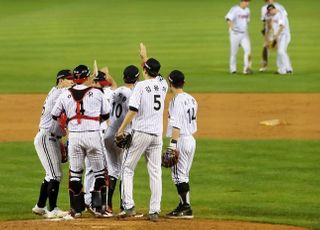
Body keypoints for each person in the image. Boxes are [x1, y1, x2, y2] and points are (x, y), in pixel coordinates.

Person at [116, 44, 168, 221]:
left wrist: (121, 130)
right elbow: (151, 71)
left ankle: (129, 205)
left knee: (127, 168)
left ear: (145, 70)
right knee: (155, 173)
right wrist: (145, 58)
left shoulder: (139, 86)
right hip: (157, 136)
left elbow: (132, 111)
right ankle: (155, 210)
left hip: (141, 133)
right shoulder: (163, 85)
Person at [51, 64, 110, 219]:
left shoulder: (64, 94)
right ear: (87, 76)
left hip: (75, 137)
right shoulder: (97, 92)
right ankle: (100, 209)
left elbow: (55, 114)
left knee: (75, 175)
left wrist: (68, 122)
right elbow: (106, 114)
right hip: (93, 136)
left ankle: (75, 211)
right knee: (99, 174)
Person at [32, 69, 73, 218]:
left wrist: (60, 142)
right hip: (46, 137)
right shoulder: (58, 93)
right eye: (69, 79)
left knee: (52, 174)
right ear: (60, 80)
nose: (72, 81)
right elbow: (74, 91)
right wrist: (87, 82)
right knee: (55, 174)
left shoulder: (57, 92)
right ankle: (53, 208)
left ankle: (40, 206)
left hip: (52, 137)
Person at [103, 65, 140, 215]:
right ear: (136, 79)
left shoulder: (114, 92)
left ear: (124, 77)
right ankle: (125, 205)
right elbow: (135, 114)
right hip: (122, 136)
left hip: (108, 135)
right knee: (126, 170)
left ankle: (107, 205)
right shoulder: (133, 95)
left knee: (113, 170)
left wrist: (107, 75)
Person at [83, 69, 116, 217]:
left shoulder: (86, 94)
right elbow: (114, 86)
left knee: (90, 169)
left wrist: (91, 80)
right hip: (100, 135)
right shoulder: (110, 92)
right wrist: (108, 75)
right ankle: (98, 204)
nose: (102, 86)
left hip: (87, 135)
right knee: (102, 171)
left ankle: (88, 200)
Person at [165, 70, 198, 219]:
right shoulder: (191, 99)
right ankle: (183, 204)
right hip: (191, 139)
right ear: (183, 82)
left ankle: (186, 207)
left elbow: (176, 125)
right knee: (184, 175)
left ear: (170, 83)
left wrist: (172, 145)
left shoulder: (176, 101)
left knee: (179, 177)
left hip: (181, 140)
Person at [225, 0, 252, 75]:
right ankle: (233, 70)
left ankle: (246, 69)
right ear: (241, 2)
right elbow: (228, 19)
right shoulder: (234, 9)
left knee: (248, 50)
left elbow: (247, 22)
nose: (247, 3)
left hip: (244, 34)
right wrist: (232, 28)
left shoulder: (248, 10)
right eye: (246, 1)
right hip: (235, 34)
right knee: (234, 53)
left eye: (248, 2)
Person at [260, 0, 288, 72]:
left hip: (279, 30)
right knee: (266, 46)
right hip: (270, 30)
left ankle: (285, 68)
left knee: (280, 50)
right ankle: (264, 66)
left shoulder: (280, 7)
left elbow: (285, 17)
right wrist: (265, 33)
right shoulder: (263, 8)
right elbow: (264, 21)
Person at [266, 4, 292, 75]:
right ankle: (281, 70)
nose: (269, 13)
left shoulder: (280, 14)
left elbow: (281, 27)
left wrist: (275, 37)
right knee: (280, 52)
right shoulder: (273, 16)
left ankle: (288, 69)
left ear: (272, 9)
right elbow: (273, 27)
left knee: (281, 51)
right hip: (279, 36)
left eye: (269, 11)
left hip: (284, 35)